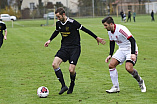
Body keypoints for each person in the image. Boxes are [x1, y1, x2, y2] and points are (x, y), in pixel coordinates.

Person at [44, 7, 106, 95]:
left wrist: (96, 37)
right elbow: (57, 31)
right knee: (54, 64)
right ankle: (63, 86)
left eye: (59, 17)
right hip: (64, 48)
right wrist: (49, 40)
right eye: (57, 17)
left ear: (63, 15)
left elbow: (85, 30)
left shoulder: (73, 23)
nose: (58, 19)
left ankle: (72, 84)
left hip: (75, 48)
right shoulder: (58, 23)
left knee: (71, 70)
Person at [101, 16, 146, 93]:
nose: (104, 27)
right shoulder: (109, 31)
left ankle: (140, 81)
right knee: (111, 65)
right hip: (121, 49)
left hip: (130, 48)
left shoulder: (121, 29)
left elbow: (132, 40)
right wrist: (110, 54)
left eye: (105, 25)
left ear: (111, 24)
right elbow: (112, 42)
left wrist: (133, 54)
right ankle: (116, 87)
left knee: (129, 68)